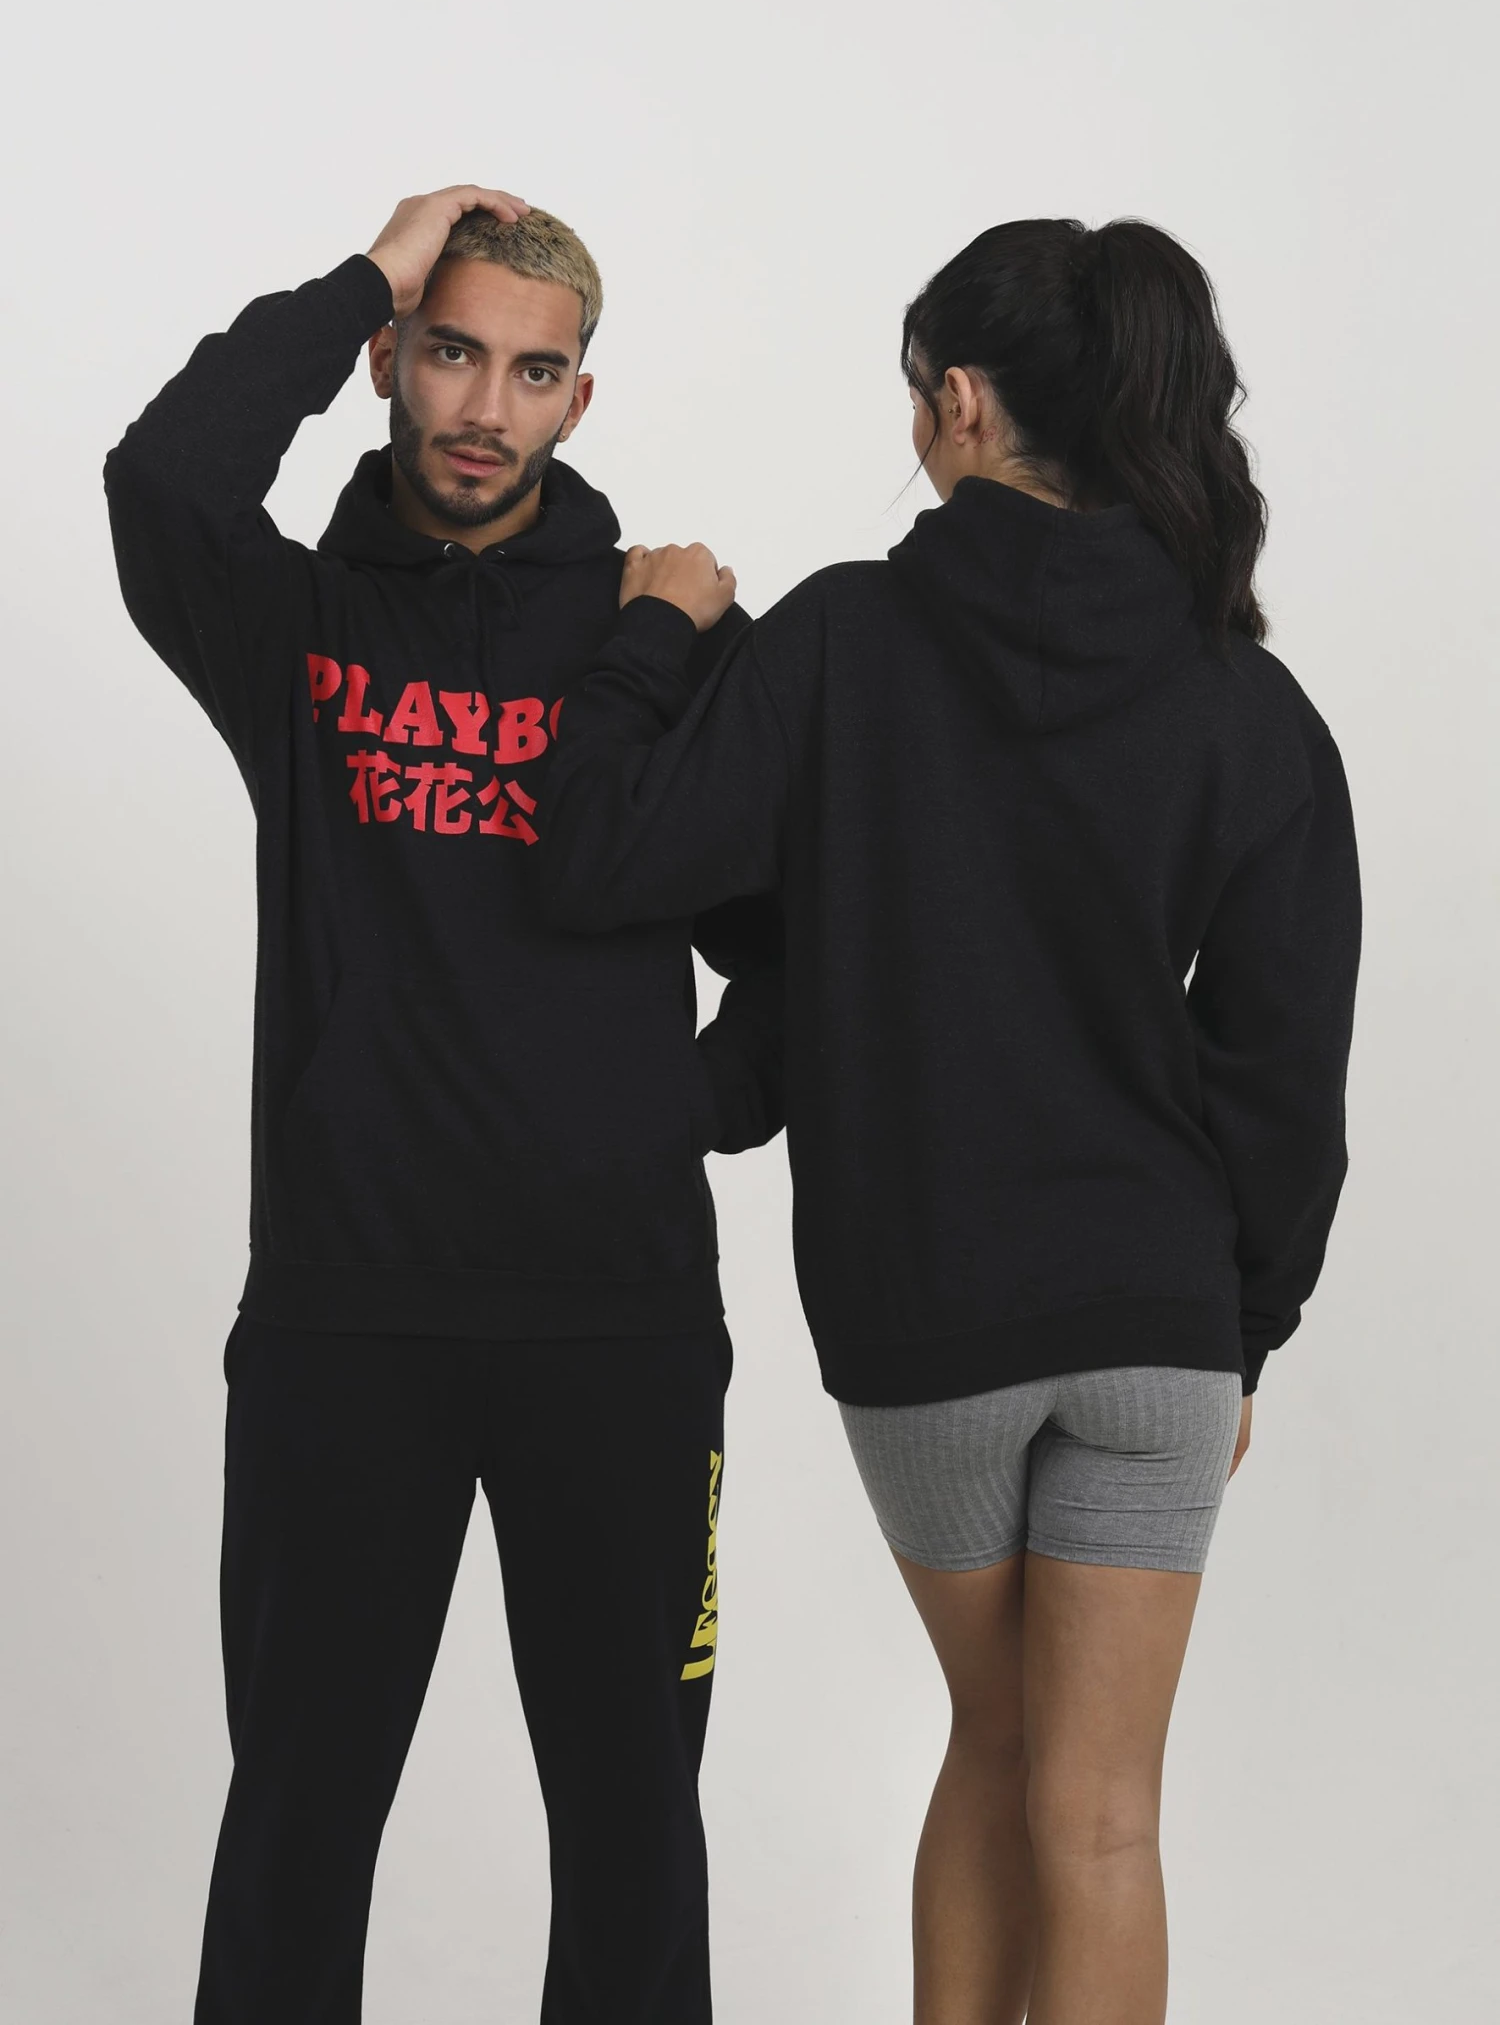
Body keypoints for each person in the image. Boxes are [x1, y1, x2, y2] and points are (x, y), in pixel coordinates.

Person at [536, 217, 1361, 2024]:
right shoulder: (1247, 698)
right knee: (1105, 1815)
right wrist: (1244, 1331)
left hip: (931, 1314)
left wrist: (657, 642)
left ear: (964, 404)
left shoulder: (843, 640)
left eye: (917, 395)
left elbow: (603, 855)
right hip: (1160, 1326)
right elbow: (1286, 1070)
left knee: (996, 1741)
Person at [104, 184, 784, 2025]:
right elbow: (161, 481)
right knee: (298, 1826)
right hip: (347, 1313)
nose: (487, 407)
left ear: (581, 397)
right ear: (392, 362)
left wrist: (677, 1105)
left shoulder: (663, 638)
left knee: (634, 1837)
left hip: (622, 1323)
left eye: (533, 372)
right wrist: (367, 269)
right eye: (453, 353)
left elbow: (812, 944)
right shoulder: (299, 625)